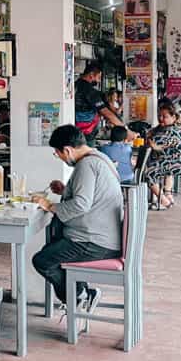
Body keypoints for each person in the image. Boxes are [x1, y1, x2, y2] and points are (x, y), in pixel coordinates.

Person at [30, 125, 123, 308]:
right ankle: (81, 293)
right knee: (54, 246)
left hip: (95, 243)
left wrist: (48, 205)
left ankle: (80, 295)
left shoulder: (86, 165)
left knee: (43, 260)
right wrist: (66, 191)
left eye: (58, 153)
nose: (60, 158)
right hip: (105, 237)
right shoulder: (100, 158)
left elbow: (81, 204)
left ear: (67, 149)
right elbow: (93, 197)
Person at [142, 102, 181, 209]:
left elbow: (154, 143)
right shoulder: (180, 124)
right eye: (159, 115)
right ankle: (168, 194)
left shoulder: (171, 130)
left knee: (147, 172)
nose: (161, 118)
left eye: (165, 116)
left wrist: (149, 139)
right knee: (160, 161)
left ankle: (164, 201)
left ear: (173, 117)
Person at [75, 61, 131, 138]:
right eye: (98, 77)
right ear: (91, 75)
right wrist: (126, 130)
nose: (99, 81)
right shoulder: (89, 91)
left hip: (77, 130)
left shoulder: (76, 85)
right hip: (85, 132)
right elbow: (107, 113)